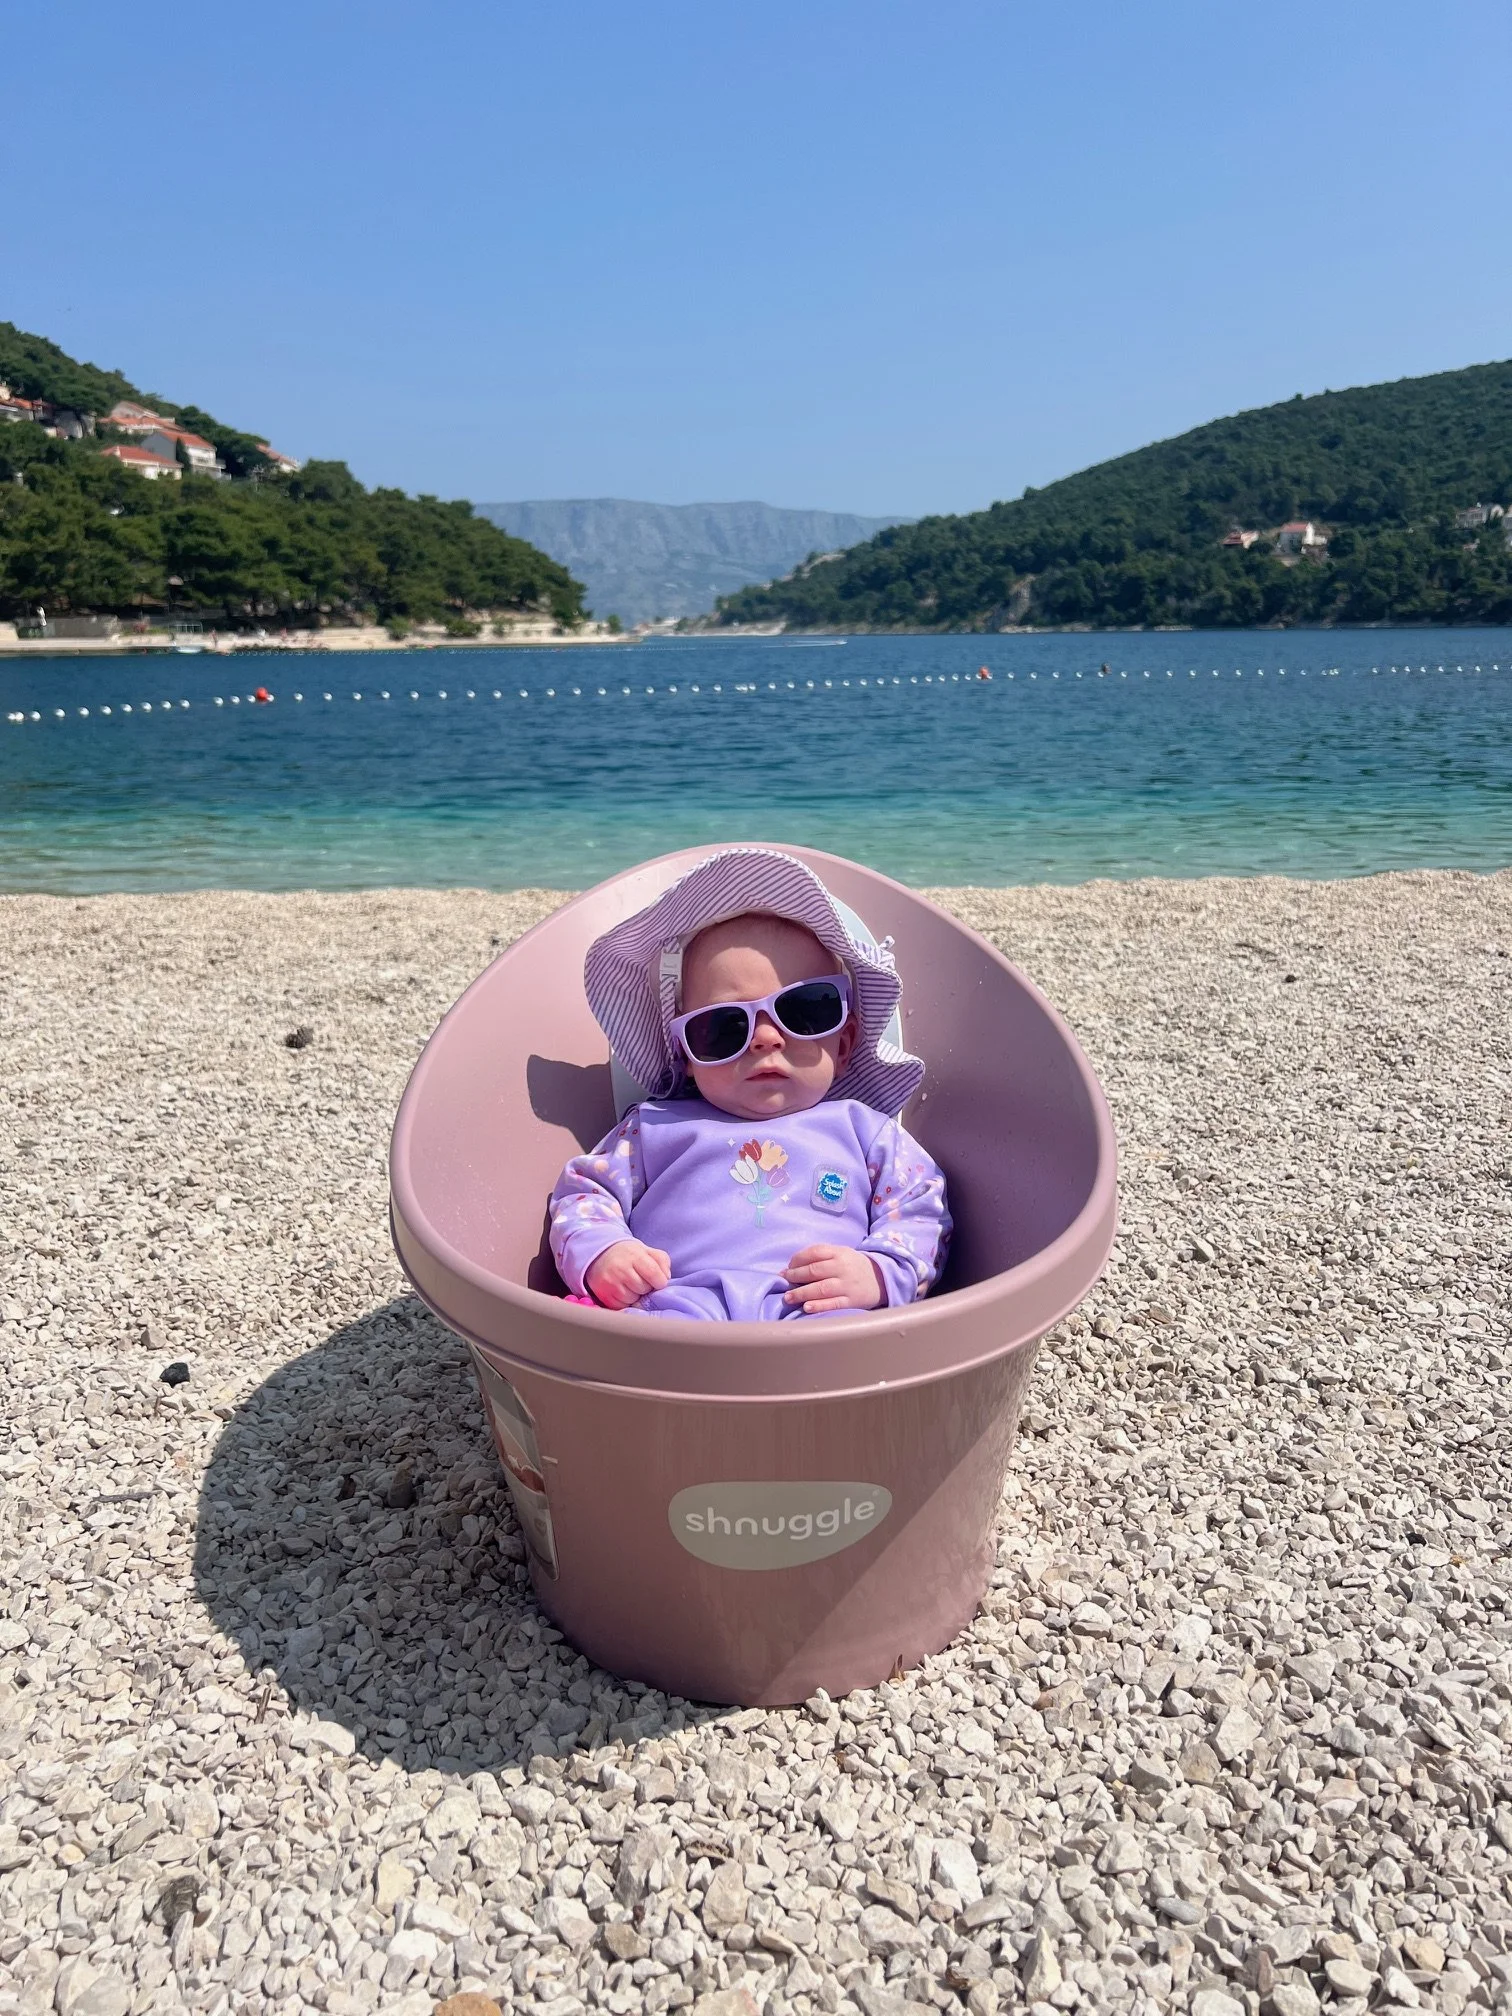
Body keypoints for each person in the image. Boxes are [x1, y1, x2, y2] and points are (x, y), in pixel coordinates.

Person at [548, 848, 951, 1321]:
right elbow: (583, 1194)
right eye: (723, 1028)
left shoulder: (865, 1131)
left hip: (817, 1309)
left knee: (855, 1354)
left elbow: (922, 1210)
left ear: (845, 1045)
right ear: (686, 1056)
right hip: (677, 1305)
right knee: (616, 1349)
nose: (764, 1038)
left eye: (804, 1011)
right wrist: (603, 1252)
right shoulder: (652, 1127)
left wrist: (880, 1272)